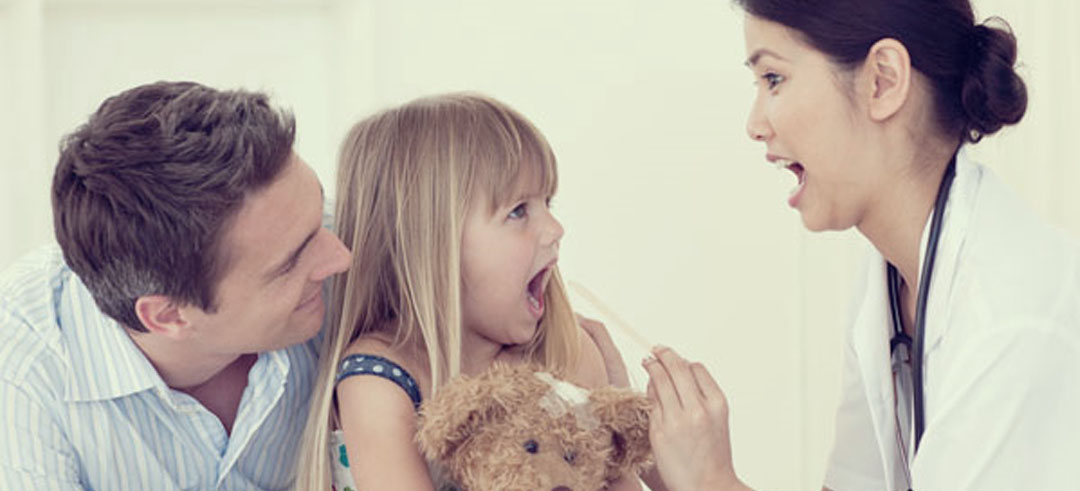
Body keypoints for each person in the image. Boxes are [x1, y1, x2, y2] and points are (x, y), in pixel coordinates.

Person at [638, 0, 1080, 490]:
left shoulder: (1010, 321)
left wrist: (710, 480)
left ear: (883, 81)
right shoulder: (890, 278)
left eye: (774, 79)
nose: (755, 124)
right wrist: (650, 455)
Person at [0, 81, 352, 489]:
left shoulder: (325, 234)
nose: (342, 257)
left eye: (319, 215)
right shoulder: (23, 375)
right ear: (168, 316)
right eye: (290, 264)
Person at [295, 93, 638, 490]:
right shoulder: (379, 380)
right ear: (432, 244)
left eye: (548, 203)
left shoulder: (567, 355)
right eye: (518, 211)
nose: (554, 229)